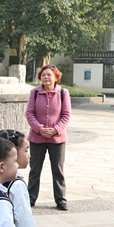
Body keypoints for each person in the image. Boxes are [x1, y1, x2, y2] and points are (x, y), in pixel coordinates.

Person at [25, 64, 71, 211]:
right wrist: (39, 128)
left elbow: (66, 115)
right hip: (37, 138)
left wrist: (55, 130)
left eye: (49, 74)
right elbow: (29, 113)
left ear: (56, 77)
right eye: (43, 74)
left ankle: (61, 200)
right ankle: (30, 198)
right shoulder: (35, 92)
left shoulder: (63, 93)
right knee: (34, 170)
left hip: (57, 139)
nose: (46, 77)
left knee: (58, 170)